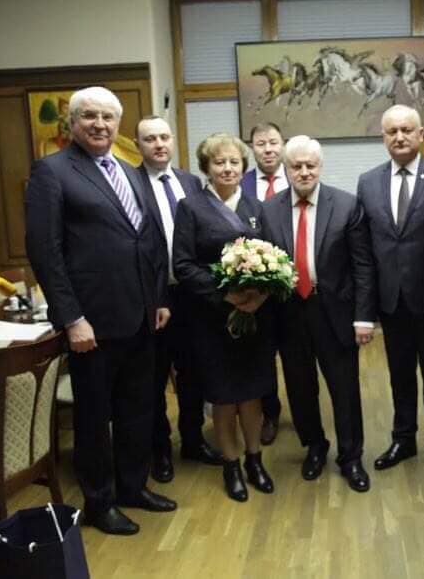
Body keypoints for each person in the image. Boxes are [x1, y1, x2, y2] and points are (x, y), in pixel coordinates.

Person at [25, 86, 177, 536]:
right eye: (89, 116)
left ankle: (132, 487)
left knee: (137, 410)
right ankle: (100, 501)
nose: (99, 124)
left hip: (140, 318)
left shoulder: (130, 171)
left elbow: (148, 241)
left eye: (108, 117)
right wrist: (72, 318)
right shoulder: (53, 171)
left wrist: (158, 300)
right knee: (94, 418)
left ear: (118, 124)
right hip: (91, 324)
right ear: (72, 123)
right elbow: (45, 251)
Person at [262, 135, 377, 493]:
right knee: (300, 388)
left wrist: (364, 317)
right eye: (296, 166)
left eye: (310, 165)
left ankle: (351, 457)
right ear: (286, 169)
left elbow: (363, 265)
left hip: (335, 313)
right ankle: (314, 446)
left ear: (320, 166)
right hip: (289, 313)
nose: (304, 172)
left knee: (344, 389)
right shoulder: (268, 210)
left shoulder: (345, 205)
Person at [356, 104, 424, 483]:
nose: (399, 137)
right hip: (391, 300)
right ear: (383, 137)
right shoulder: (367, 182)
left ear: (421, 135)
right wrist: (366, 308)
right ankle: (403, 440)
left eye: (406, 130)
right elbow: (365, 251)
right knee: (399, 377)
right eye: (392, 131)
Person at [173, 133, 276, 502]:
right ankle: (231, 465)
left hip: (254, 318)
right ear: (207, 167)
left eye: (234, 162)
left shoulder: (256, 206)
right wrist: (225, 294)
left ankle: (254, 460)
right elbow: (183, 265)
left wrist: (260, 295)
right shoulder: (190, 207)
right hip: (210, 319)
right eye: (220, 162)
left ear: (243, 167)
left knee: (251, 394)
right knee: (224, 397)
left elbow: (275, 255)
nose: (228, 168)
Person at [135, 116, 223, 484]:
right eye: (150, 139)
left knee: (193, 374)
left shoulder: (191, 183)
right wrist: (156, 297)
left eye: (164, 137)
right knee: (155, 377)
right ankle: (160, 449)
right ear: (138, 145)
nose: (159, 144)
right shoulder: (131, 183)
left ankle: (193, 440)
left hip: (192, 296)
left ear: (173, 141)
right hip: (154, 298)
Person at [241, 122, 289, 445]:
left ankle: (305, 410)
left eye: (273, 142)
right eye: (261, 143)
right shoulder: (240, 183)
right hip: (256, 290)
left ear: (282, 144)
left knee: (298, 355)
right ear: (252, 148)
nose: (268, 149)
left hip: (295, 287)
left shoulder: (299, 175)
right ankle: (270, 413)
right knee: (262, 356)